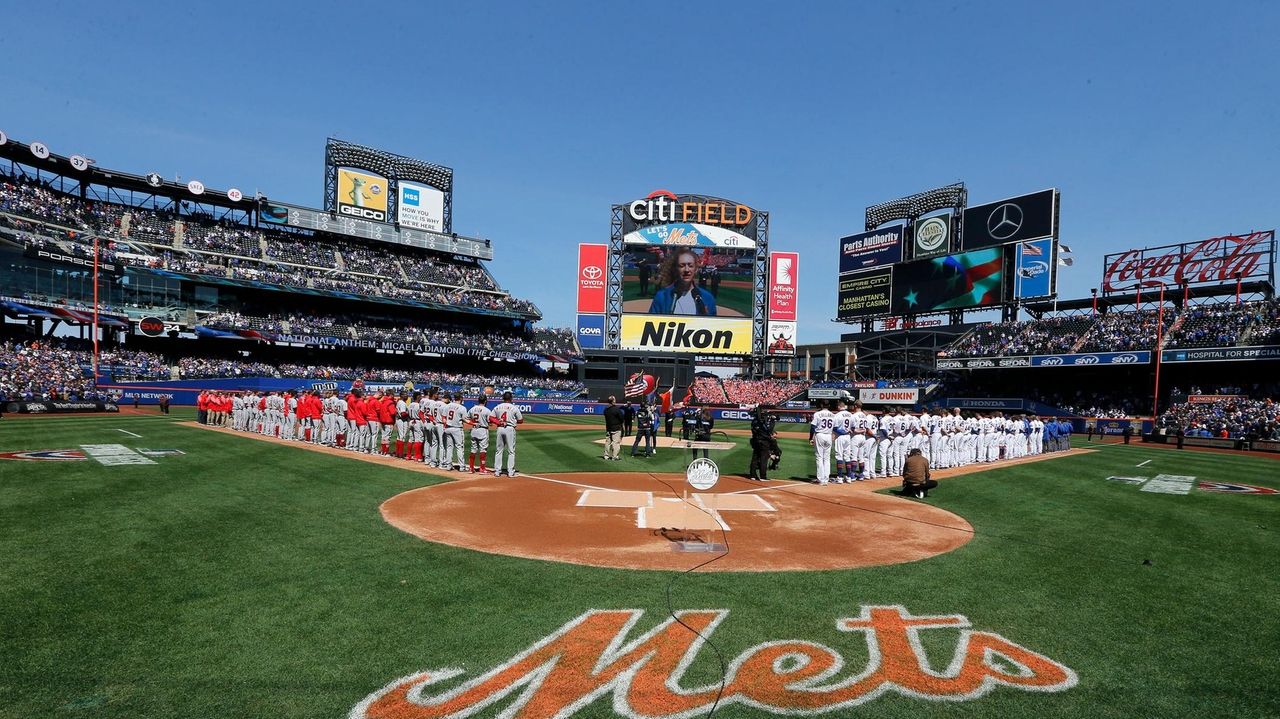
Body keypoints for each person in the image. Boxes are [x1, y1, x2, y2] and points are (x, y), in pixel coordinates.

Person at [647, 249, 718, 316]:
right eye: (682, 266)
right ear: (676, 269)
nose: (687, 270)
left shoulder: (707, 298)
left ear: (696, 269)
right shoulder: (662, 296)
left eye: (690, 266)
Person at [490, 391, 524, 476]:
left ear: (503, 398)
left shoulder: (497, 407)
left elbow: (490, 418)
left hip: (500, 429)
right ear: (511, 398)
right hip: (509, 429)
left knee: (499, 450)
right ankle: (510, 471)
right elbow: (521, 420)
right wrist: (513, 420)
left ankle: (497, 471)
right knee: (511, 451)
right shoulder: (514, 408)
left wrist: (499, 422)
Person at [810, 400, 836, 485]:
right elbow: (835, 428)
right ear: (829, 406)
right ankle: (826, 479)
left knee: (819, 457)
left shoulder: (817, 414)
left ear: (822, 405)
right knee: (827, 458)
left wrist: (810, 438)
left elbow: (813, 427)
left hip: (820, 435)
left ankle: (820, 479)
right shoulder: (833, 415)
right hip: (828, 435)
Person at [466, 394, 493, 474]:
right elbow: (490, 422)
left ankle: (471, 468)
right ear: (485, 401)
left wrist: (474, 423)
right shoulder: (487, 410)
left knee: (473, 449)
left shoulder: (472, 409)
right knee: (483, 450)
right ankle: (482, 468)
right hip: (482, 430)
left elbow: (467, 419)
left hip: (474, 430)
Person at [748, 405, 776, 481]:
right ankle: (763, 476)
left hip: (755, 440)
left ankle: (752, 475)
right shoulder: (763, 422)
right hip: (763, 441)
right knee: (764, 458)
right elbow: (769, 429)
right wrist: (772, 421)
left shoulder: (754, 421)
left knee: (755, 458)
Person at [602, 396, 624, 460]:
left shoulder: (606, 409)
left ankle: (606, 456)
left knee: (607, 442)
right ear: (613, 401)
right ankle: (614, 456)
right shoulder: (616, 409)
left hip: (608, 428)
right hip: (616, 428)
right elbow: (622, 418)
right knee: (616, 442)